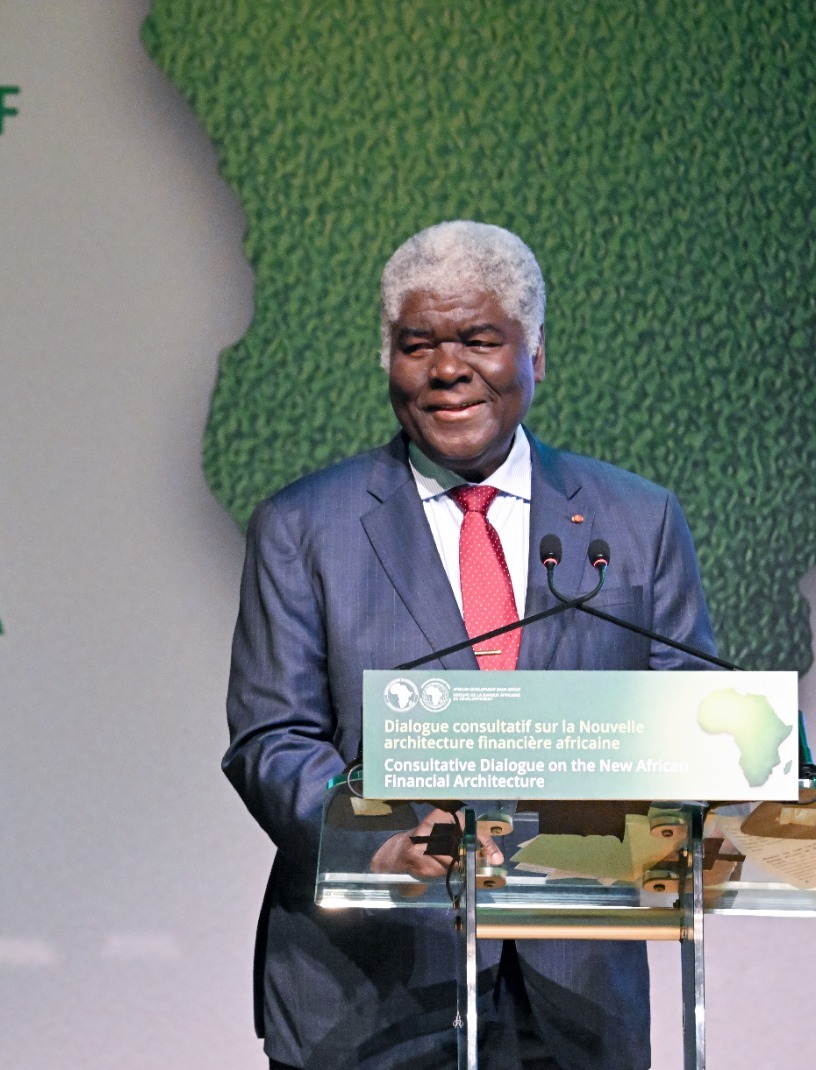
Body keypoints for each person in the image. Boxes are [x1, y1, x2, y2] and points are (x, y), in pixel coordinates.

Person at [224, 221, 716, 1070]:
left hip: (576, 997)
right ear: (388, 360)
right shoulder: (304, 527)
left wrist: (741, 768)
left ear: (536, 353)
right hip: (371, 993)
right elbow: (273, 739)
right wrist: (381, 841)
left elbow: (692, 724)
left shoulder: (638, 520)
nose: (447, 369)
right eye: (419, 345)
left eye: (480, 340)